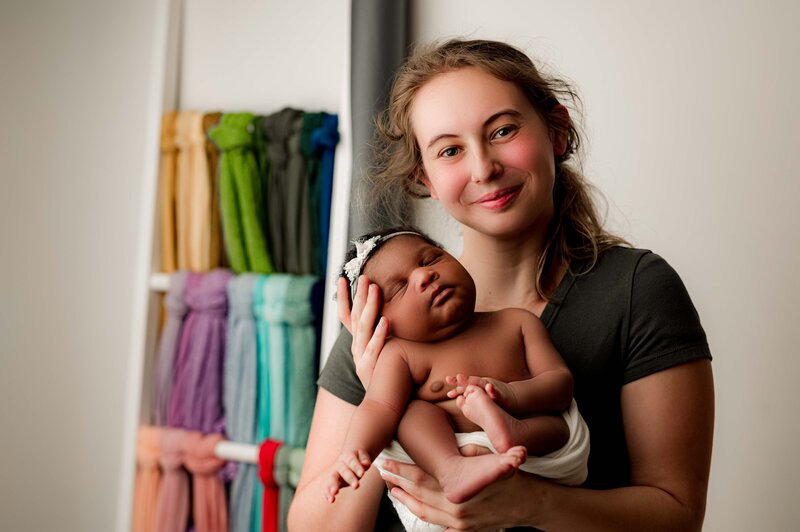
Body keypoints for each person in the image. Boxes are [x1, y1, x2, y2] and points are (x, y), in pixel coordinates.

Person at [288, 38, 714, 531]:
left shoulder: (636, 290)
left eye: (504, 130)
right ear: (423, 176)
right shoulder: (386, 316)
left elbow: (677, 517)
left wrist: (530, 502)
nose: (483, 168)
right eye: (449, 150)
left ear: (557, 131)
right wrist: (383, 399)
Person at [323, 228, 589, 509]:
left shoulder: (516, 323)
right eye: (399, 288)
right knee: (410, 413)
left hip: (533, 446)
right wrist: (352, 451)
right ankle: (452, 469)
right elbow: (378, 407)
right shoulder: (401, 354)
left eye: (430, 260)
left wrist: (509, 394)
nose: (424, 276)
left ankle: (514, 432)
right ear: (379, 323)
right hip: (450, 452)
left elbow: (560, 384)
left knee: (558, 426)